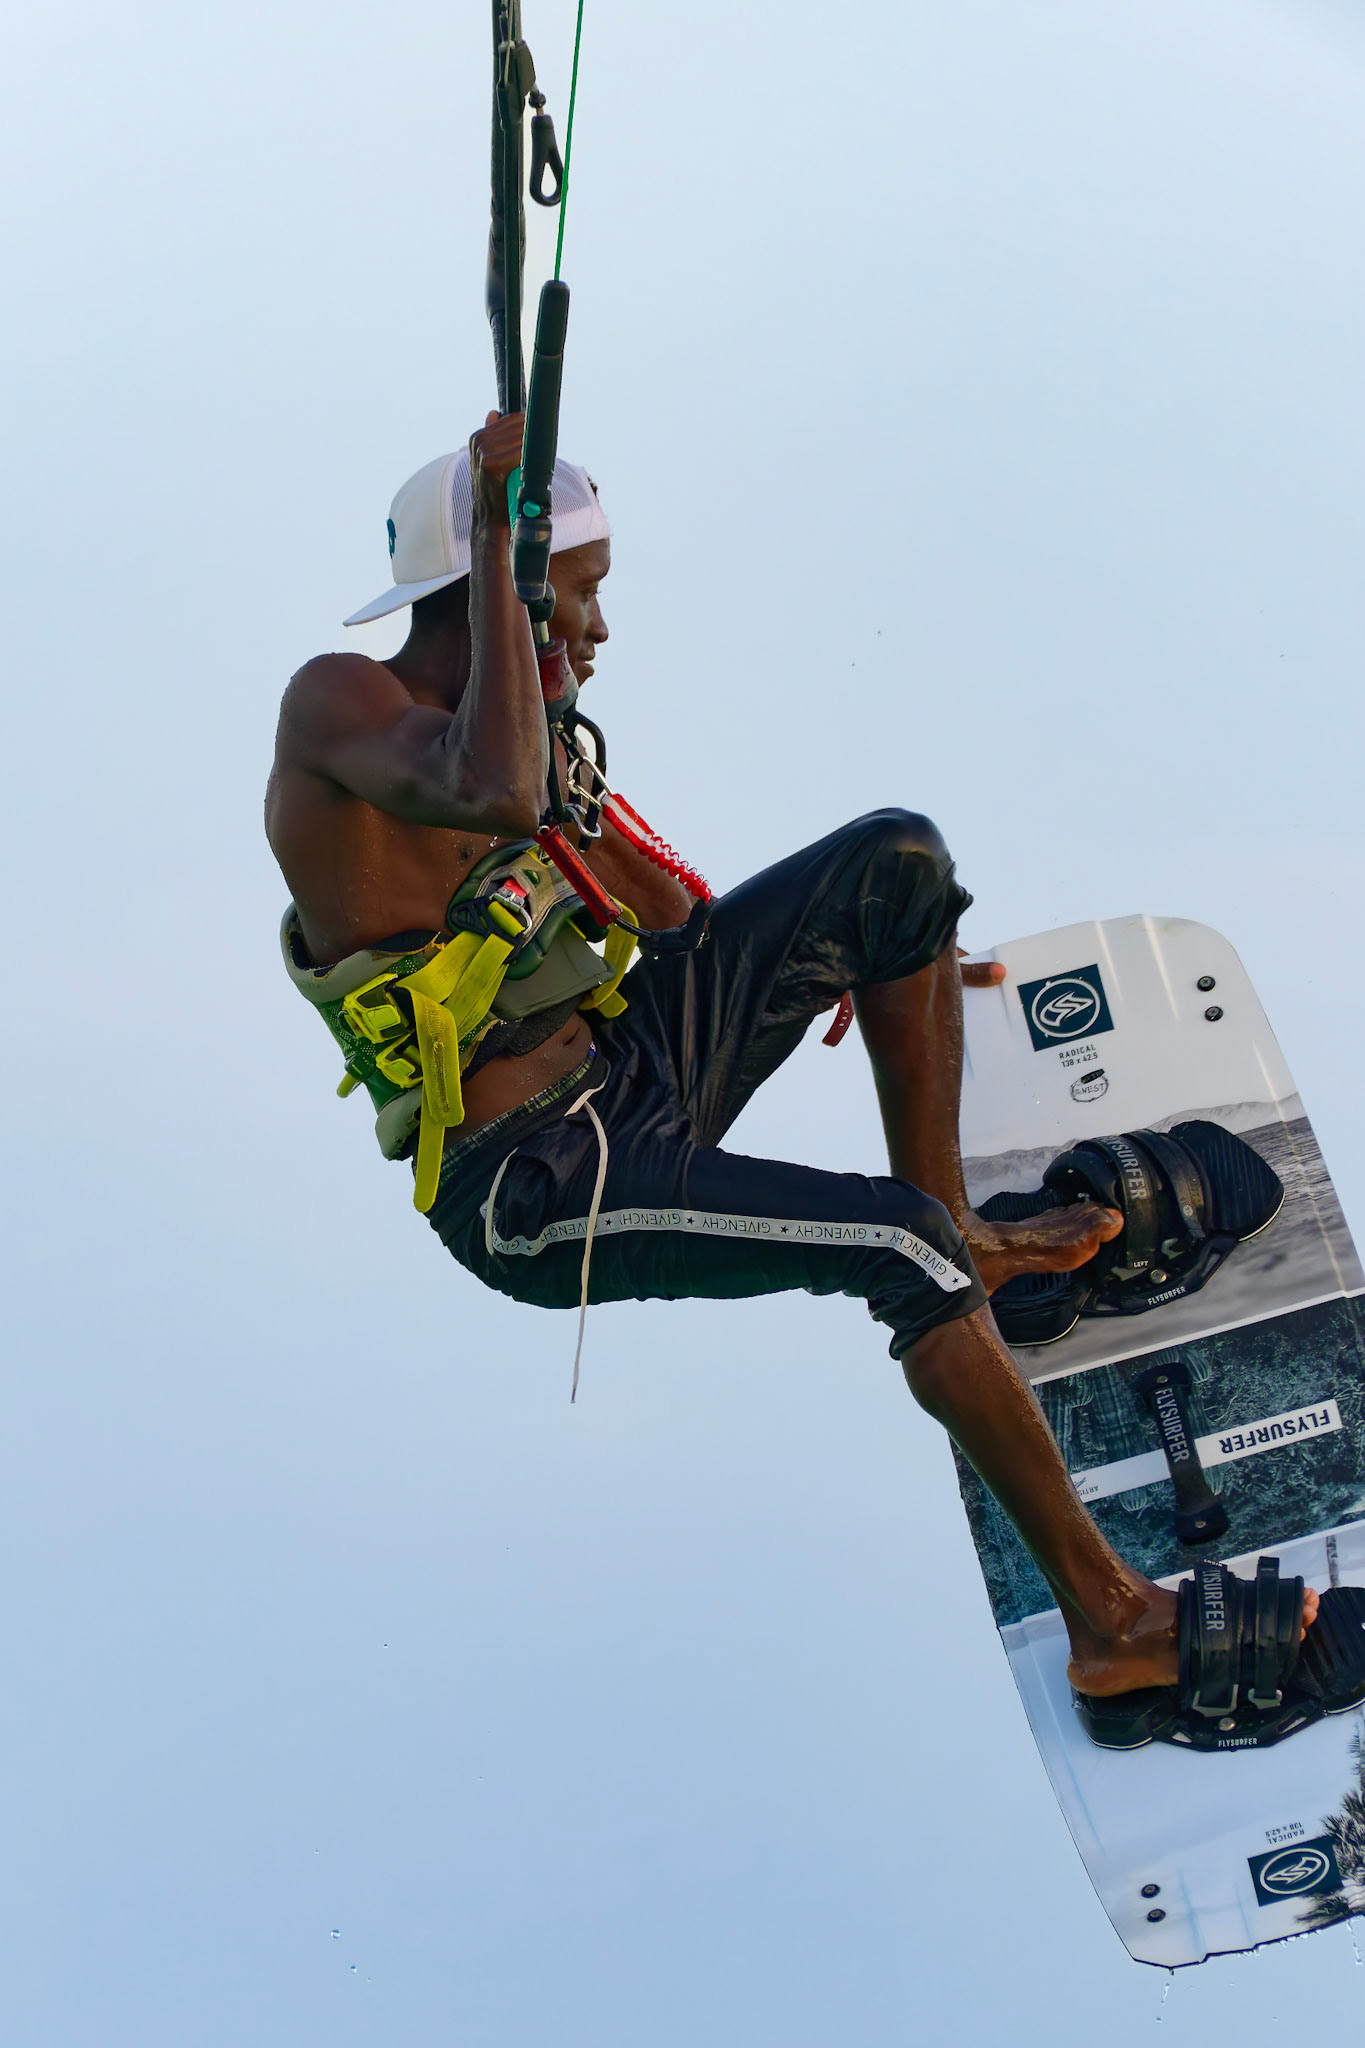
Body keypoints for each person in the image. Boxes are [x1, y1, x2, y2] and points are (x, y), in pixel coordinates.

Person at [267, 413, 1318, 1718]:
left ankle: (962, 1247)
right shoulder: (340, 704)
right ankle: (1112, 1627)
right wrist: (501, 544)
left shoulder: (535, 747)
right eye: (578, 602)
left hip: (635, 1065)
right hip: (534, 1184)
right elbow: (475, 784)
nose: (597, 634)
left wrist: (588, 807)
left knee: (895, 868)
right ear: (501, 593)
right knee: (892, 1250)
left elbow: (669, 926)